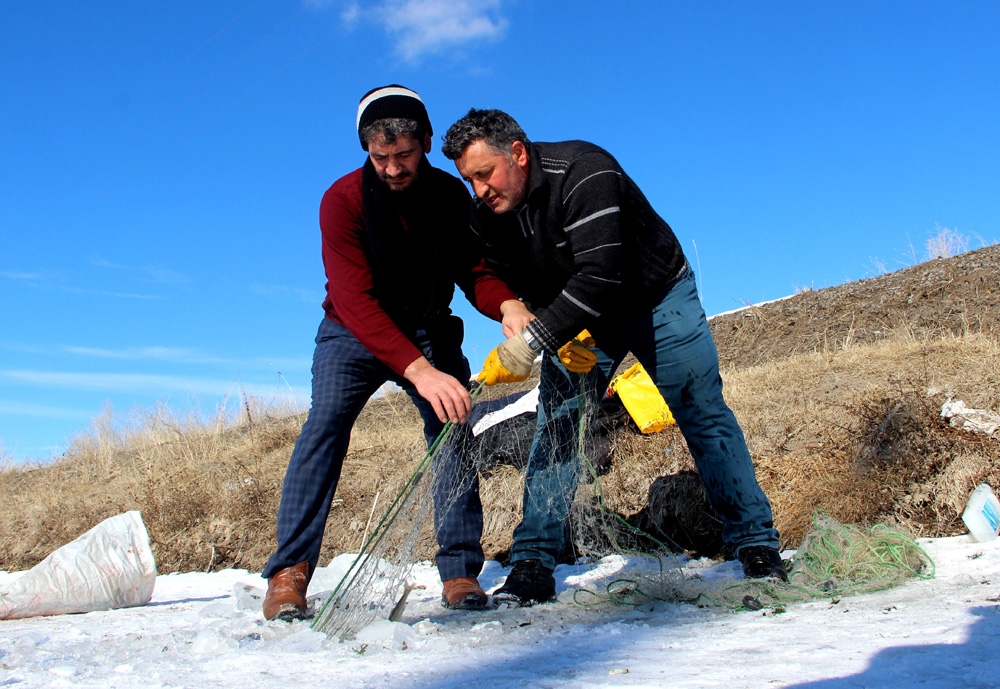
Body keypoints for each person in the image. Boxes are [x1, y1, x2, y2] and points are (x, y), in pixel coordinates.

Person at [441, 108, 786, 606]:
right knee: (557, 427)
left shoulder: (585, 171)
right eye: (468, 180)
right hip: (578, 316)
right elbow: (516, 279)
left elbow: (603, 274)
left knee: (701, 410)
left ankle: (754, 542)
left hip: (655, 297)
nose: (479, 190)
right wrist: (554, 332)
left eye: (484, 173)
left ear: (517, 153)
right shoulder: (489, 213)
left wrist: (533, 341)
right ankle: (534, 559)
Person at [261, 87, 529, 620]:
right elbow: (355, 300)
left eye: (403, 154)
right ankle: (289, 573)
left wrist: (507, 304)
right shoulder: (341, 201)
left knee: (453, 424)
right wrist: (421, 370)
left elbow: (474, 271)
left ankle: (460, 571)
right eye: (379, 156)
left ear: (426, 142)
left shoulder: (450, 196)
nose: (392, 168)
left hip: (429, 327)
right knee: (325, 424)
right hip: (352, 332)